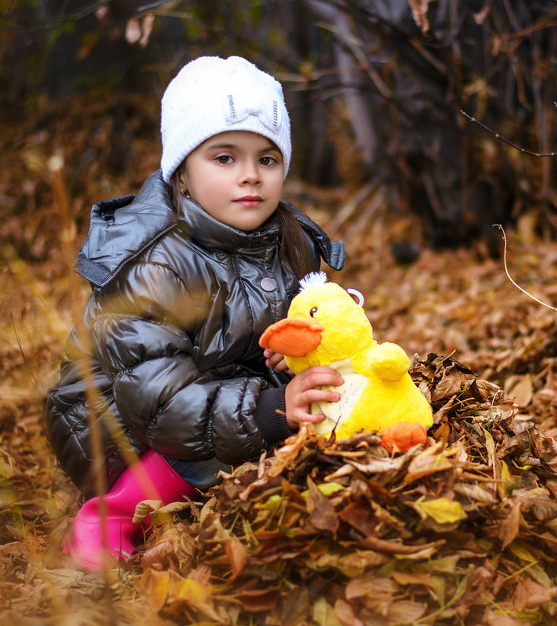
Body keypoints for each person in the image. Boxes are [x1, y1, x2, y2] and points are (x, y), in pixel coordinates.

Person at [44, 55, 346, 569]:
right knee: (198, 453)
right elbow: (157, 402)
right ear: (182, 173)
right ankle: (111, 516)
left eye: (267, 160)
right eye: (225, 158)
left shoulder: (285, 238)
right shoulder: (155, 261)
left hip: (221, 392)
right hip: (119, 419)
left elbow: (279, 325)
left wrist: (287, 353)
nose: (250, 176)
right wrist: (271, 407)